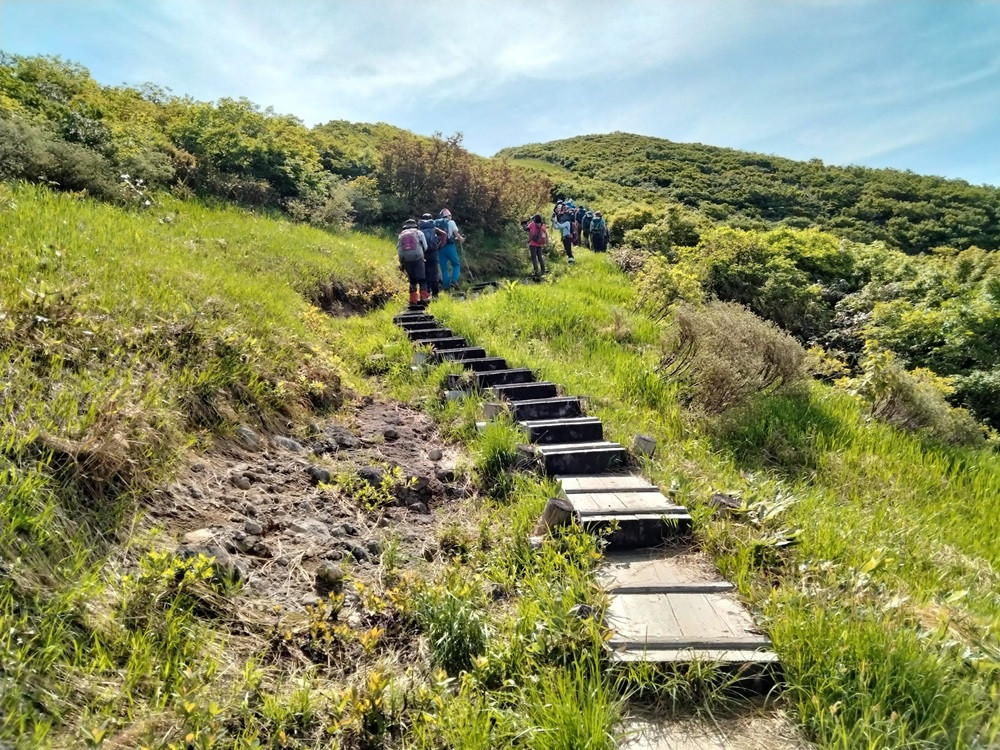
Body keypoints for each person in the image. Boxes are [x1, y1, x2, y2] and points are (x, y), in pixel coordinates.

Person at [397, 218, 429, 303]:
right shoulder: (419, 233)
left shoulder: (401, 235)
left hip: (405, 259)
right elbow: (425, 247)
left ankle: (413, 299)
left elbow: (398, 248)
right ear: (415, 226)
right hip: (418, 257)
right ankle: (424, 297)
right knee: (422, 278)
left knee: (412, 279)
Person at [418, 213, 447, 298]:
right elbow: (444, 234)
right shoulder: (434, 228)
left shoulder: (419, 229)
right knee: (434, 273)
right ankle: (435, 294)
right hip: (433, 253)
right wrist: (440, 245)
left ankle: (426, 292)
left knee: (425, 273)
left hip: (423, 254)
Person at [435, 208, 464, 292]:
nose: (451, 217)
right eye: (450, 215)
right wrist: (461, 239)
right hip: (450, 246)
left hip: (440, 248)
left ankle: (446, 288)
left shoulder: (436, 223)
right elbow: (455, 233)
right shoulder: (451, 222)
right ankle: (454, 281)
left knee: (444, 268)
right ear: (447, 216)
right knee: (456, 264)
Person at [525, 213, 548, 279]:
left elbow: (526, 229)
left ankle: (536, 271)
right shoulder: (543, 225)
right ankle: (543, 271)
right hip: (540, 244)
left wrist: (524, 224)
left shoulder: (532, 224)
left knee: (534, 258)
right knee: (540, 257)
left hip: (532, 244)